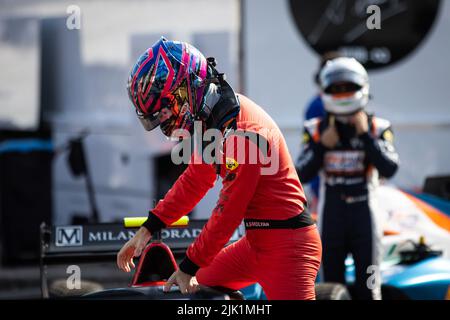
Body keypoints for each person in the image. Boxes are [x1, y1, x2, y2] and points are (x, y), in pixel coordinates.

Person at [116, 37, 322, 300]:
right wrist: (147, 229)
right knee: (198, 293)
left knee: (189, 280)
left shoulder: (245, 132)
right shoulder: (213, 118)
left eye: (166, 111)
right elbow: (195, 181)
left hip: (289, 248)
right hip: (255, 245)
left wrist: (189, 265)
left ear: (187, 88)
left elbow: (229, 211)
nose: (166, 122)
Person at [296, 57, 399, 300]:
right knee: (331, 289)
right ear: (326, 90)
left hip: (366, 213)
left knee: (369, 288)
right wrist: (322, 147)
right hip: (332, 213)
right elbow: (301, 173)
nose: (342, 94)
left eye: (348, 87)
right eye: (336, 88)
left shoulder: (378, 127)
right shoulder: (315, 128)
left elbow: (390, 168)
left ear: (361, 87)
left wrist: (365, 138)